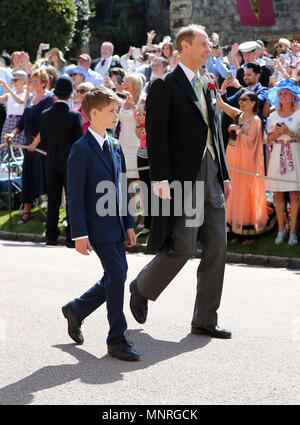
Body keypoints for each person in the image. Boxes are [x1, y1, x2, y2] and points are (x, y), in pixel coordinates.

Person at [129, 24, 232, 339]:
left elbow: (215, 132)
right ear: (183, 47)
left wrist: (224, 174)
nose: (208, 49)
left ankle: (205, 320)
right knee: (183, 248)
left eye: (208, 44)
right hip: (182, 179)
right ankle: (142, 286)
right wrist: (159, 178)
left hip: (212, 175)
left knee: (217, 248)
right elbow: (156, 136)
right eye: (202, 43)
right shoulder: (164, 85)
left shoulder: (207, 84)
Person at [62, 86, 140, 361]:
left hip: (117, 224)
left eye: (117, 110)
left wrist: (129, 222)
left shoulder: (115, 144)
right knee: (118, 275)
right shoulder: (81, 149)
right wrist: (79, 233)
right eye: (111, 111)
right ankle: (116, 339)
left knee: (115, 275)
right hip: (96, 226)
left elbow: (121, 186)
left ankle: (77, 309)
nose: (116, 115)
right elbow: (75, 194)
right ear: (93, 114)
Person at [217, 91, 274, 242]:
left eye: (245, 99)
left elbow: (252, 141)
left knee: (246, 195)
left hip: (246, 163)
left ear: (253, 103)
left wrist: (238, 131)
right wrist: (213, 88)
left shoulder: (255, 120)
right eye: (240, 99)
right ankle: (236, 230)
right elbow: (222, 105)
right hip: (234, 160)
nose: (241, 102)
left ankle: (249, 232)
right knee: (235, 194)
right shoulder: (239, 115)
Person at [4, 69, 54, 224]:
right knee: (28, 178)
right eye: (31, 81)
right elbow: (23, 120)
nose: (32, 83)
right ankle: (27, 211)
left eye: (36, 81)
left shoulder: (49, 99)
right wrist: (13, 133)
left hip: (43, 146)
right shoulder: (30, 98)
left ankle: (51, 214)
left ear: (44, 83)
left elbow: (47, 124)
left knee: (46, 179)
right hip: (28, 146)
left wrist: (36, 142)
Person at [38, 75, 83, 246]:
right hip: (70, 162)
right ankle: (71, 236)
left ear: (55, 94)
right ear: (70, 95)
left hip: (51, 161)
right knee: (72, 199)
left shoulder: (45, 115)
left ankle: (50, 236)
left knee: (53, 200)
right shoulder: (73, 116)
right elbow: (79, 141)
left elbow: (44, 141)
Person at [265, 80, 300, 246]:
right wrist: (274, 135)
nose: (282, 96)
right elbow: (268, 140)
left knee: (294, 194)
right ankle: (281, 229)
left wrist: (289, 133)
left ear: (293, 96)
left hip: (294, 153)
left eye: (285, 93)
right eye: (280, 93)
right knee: (278, 194)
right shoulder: (272, 115)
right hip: (277, 154)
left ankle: (292, 231)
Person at [118, 73, 144, 181]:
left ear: (136, 85)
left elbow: (140, 118)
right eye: (124, 81)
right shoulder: (121, 102)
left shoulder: (142, 101)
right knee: (125, 178)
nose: (124, 83)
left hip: (136, 143)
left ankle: (139, 198)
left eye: (127, 81)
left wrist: (132, 103)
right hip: (123, 142)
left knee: (137, 178)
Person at [0, 70, 29, 158]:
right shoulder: (10, 94)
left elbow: (20, 101)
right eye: (13, 80)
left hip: (19, 125)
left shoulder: (27, 93)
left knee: (18, 151)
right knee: (5, 149)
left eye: (16, 80)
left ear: (24, 80)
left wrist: (8, 88)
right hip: (9, 122)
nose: (14, 82)